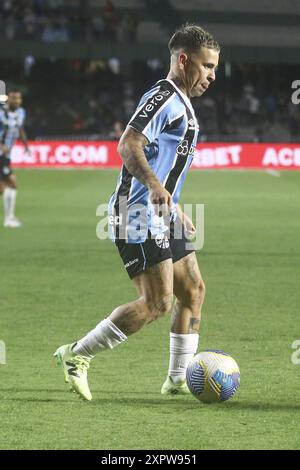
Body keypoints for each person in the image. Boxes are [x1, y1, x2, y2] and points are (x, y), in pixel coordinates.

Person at [54, 24, 220, 401]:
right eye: (207, 66)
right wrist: (156, 188)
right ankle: (75, 355)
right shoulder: (164, 96)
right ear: (183, 59)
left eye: (214, 68)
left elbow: (163, 163)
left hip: (162, 212)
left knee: (193, 290)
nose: (212, 76)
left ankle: (178, 379)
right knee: (158, 302)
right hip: (136, 211)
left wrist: (172, 205)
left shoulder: (182, 101)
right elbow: (128, 144)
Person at [0, 89, 29, 228]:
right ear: (8, 99)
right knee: (12, 183)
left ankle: (9, 218)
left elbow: (20, 129)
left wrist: (26, 145)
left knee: (2, 189)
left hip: (6, 155)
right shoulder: (1, 113)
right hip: (0, 154)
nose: (16, 101)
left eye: (18, 98)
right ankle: (9, 219)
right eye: (13, 98)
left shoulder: (21, 113)